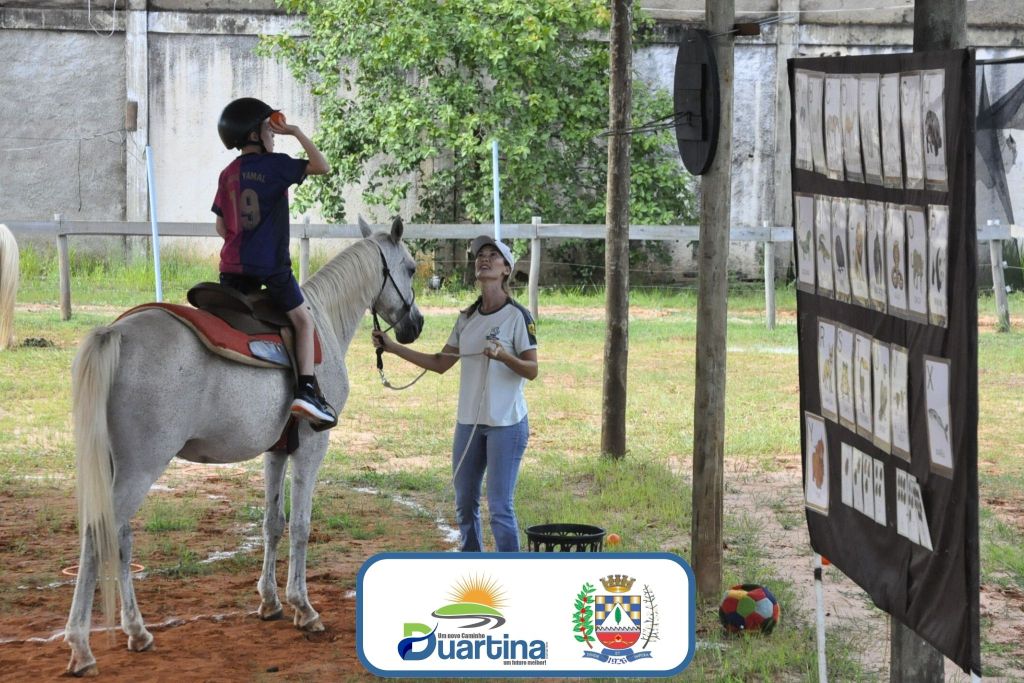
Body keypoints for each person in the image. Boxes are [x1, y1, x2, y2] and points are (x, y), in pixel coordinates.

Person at [372, 236, 538, 551]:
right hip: (469, 423)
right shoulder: (467, 318)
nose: (484, 259)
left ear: (506, 269)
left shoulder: (518, 316)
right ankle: (471, 563)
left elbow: (532, 370)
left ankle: (513, 572)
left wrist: (504, 357)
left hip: (506, 424)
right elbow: (440, 363)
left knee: (500, 508)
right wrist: (392, 348)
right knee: (464, 502)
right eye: (480, 255)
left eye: (493, 255)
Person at [212, 97, 336, 427]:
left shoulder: (227, 174)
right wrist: (295, 132)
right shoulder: (276, 165)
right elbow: (322, 166)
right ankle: (306, 390)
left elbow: (221, 226)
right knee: (304, 321)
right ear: (254, 135)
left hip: (231, 271)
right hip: (271, 268)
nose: (274, 135)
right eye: (269, 129)